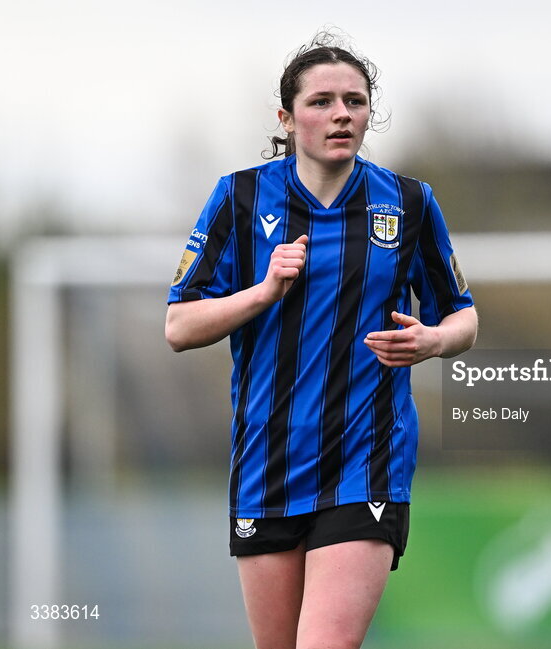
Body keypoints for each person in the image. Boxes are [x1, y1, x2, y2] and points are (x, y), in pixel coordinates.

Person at [164, 31, 477, 649]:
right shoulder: (240, 197)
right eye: (322, 101)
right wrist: (263, 292)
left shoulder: (409, 203)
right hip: (267, 462)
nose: (341, 114)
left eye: (355, 102)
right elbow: (179, 327)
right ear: (286, 118)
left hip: (367, 460)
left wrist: (434, 342)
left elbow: (463, 317)